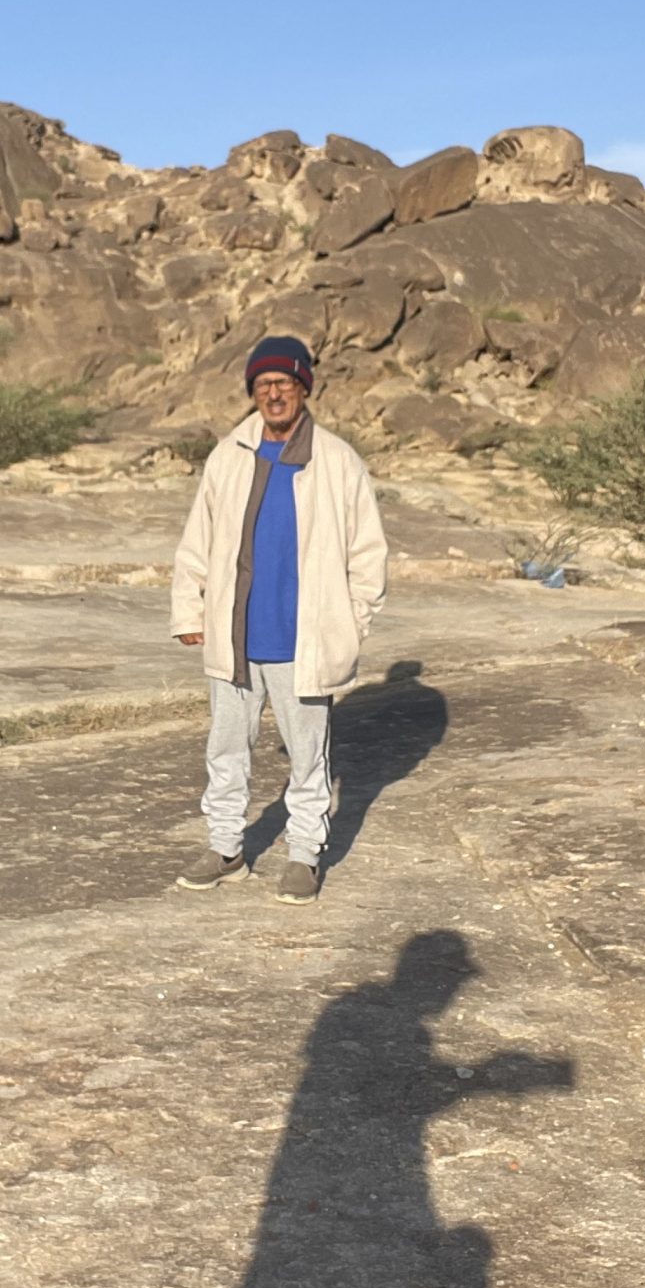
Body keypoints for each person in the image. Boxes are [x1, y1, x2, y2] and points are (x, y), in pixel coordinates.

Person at [169, 335, 388, 903]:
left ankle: (303, 855)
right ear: (252, 392)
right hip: (235, 635)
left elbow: (369, 554)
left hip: (303, 641)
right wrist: (188, 607)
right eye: (263, 385)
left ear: (303, 389)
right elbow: (198, 539)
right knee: (225, 751)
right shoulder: (229, 454)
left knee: (309, 758)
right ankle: (226, 850)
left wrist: (350, 625)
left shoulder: (337, 460)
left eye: (284, 384)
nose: (273, 394)